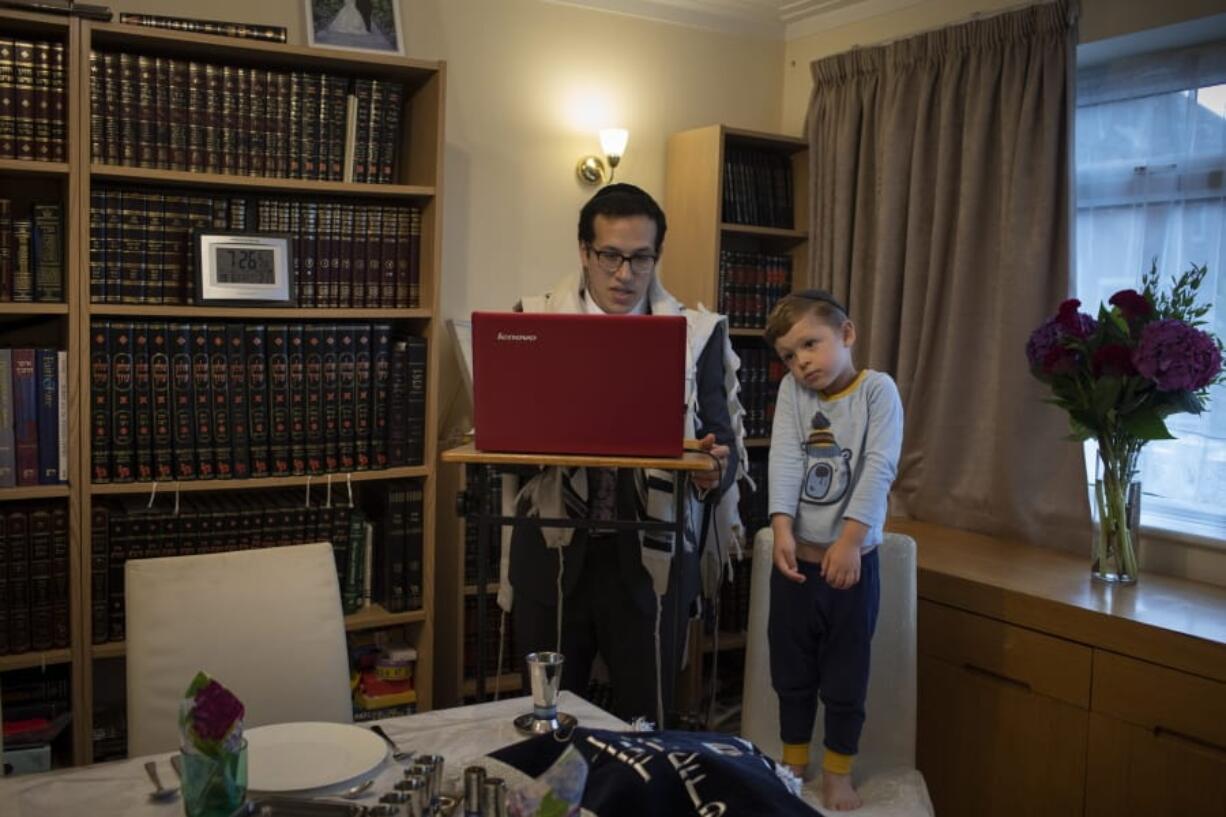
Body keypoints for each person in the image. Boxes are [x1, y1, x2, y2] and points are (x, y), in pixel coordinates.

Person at [502, 183, 745, 727]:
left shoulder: (695, 335)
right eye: (610, 255)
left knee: (645, 723)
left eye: (640, 258)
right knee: (546, 720)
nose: (624, 273)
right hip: (551, 551)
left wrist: (712, 471)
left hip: (651, 561)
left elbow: (723, 453)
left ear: (656, 256)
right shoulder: (533, 319)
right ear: (584, 252)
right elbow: (506, 454)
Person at [763, 290, 903, 811]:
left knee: (845, 676)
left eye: (809, 344)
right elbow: (783, 461)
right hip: (796, 566)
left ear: (846, 335)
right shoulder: (793, 395)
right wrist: (781, 529)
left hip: (851, 567)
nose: (800, 361)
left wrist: (849, 541)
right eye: (788, 355)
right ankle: (794, 759)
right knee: (791, 670)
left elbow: (878, 467)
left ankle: (838, 771)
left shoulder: (877, 392)